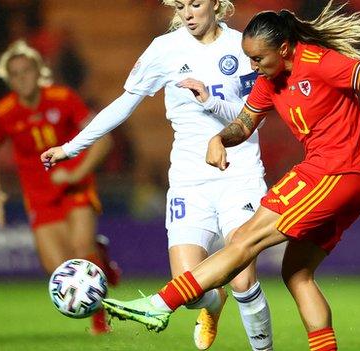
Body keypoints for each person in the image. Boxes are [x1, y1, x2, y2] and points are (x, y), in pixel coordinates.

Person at [87, 2, 360, 350]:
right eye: (249, 58)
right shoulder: (268, 79)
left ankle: (160, 305)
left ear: (285, 48)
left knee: (246, 238)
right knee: (296, 273)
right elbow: (244, 124)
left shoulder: (320, 62)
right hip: (351, 178)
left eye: (259, 58)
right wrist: (219, 138)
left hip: (335, 170)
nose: (253, 65)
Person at [40, 1, 274, 350]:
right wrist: (72, 147)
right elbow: (123, 103)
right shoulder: (164, 50)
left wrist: (210, 101)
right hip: (188, 181)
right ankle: (213, 303)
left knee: (243, 280)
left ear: (215, 3)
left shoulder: (242, 47)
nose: (188, 13)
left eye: (195, 4)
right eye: (180, 6)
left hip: (238, 175)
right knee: (188, 288)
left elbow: (258, 114)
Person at [0, 40, 120, 334]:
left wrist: (75, 173)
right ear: (9, 80)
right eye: (15, 74)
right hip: (40, 197)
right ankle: (103, 261)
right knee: (57, 269)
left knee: (81, 251)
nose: (22, 78)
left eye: (27, 71)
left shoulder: (62, 97)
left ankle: (98, 319)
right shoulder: (4, 112)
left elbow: (103, 139)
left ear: (39, 71)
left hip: (74, 187)